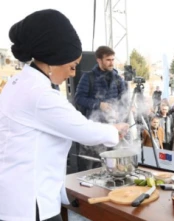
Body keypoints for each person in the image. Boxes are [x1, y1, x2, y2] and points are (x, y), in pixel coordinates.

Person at [0, 10, 129, 221]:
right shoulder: (40, 95)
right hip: (31, 205)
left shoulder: (17, 83)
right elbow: (84, 130)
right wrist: (114, 131)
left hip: (15, 199)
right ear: (54, 60)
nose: (73, 73)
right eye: (73, 66)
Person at [74, 45, 126, 171]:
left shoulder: (118, 79)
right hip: (94, 130)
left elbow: (124, 100)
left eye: (113, 59)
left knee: (113, 166)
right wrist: (98, 104)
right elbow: (79, 99)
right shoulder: (88, 77)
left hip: (113, 128)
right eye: (108, 60)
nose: (111, 63)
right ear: (98, 60)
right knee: (93, 167)